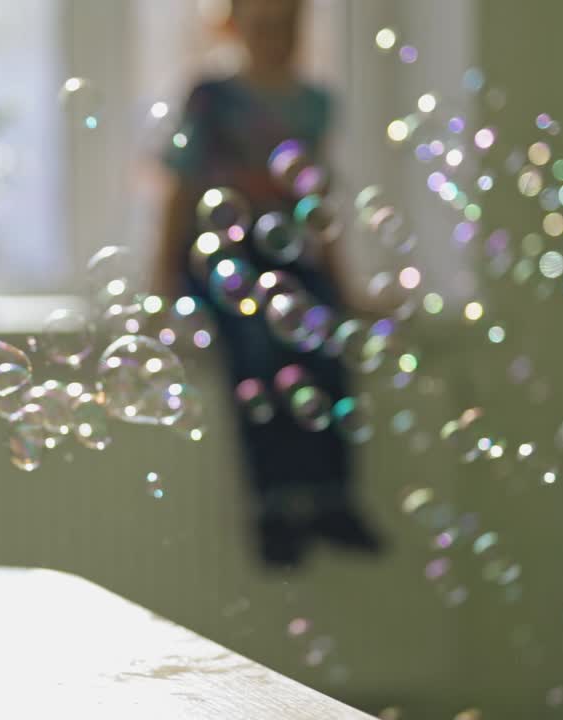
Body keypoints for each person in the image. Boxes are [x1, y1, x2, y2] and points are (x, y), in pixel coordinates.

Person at [154, 0, 385, 567]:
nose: (276, 38)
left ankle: (332, 496)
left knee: (327, 342)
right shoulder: (209, 96)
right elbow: (181, 187)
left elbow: (315, 202)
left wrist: (344, 287)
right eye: (264, 26)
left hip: (286, 251)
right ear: (236, 27)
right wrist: (161, 278)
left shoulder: (314, 104)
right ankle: (274, 505)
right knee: (254, 349)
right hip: (219, 250)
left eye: (287, 26)